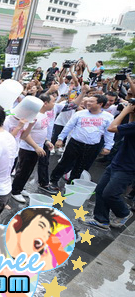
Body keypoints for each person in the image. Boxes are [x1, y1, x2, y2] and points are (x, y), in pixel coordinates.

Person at [83, 102, 135, 230]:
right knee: (100, 190)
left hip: (128, 167)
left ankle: (124, 213)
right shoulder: (133, 126)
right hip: (118, 162)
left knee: (110, 194)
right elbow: (129, 127)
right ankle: (101, 220)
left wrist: (126, 111)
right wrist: (132, 113)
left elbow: (111, 128)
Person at [50, 95, 114, 191]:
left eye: (92, 101)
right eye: (88, 101)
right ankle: (53, 180)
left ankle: (71, 185)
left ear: (100, 104)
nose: (88, 103)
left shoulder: (108, 117)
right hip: (75, 143)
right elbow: (68, 126)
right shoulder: (80, 114)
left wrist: (108, 146)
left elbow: (109, 133)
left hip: (92, 146)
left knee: (81, 166)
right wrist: (60, 139)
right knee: (65, 163)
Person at [10, 94, 55, 203]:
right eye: (53, 101)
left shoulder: (44, 115)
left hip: (36, 148)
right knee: (23, 170)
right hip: (28, 148)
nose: (54, 104)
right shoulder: (34, 116)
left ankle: (21, 188)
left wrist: (46, 141)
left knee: (28, 170)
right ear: (45, 103)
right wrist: (36, 147)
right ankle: (15, 191)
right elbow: (25, 134)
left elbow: (40, 131)